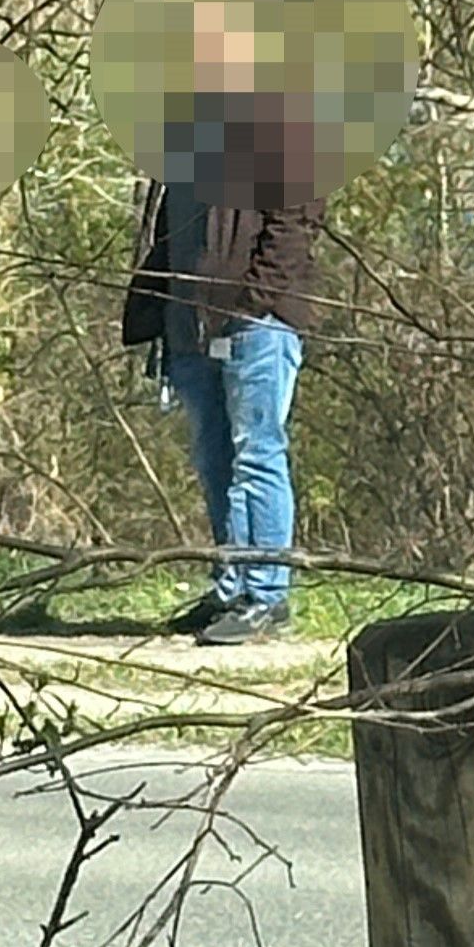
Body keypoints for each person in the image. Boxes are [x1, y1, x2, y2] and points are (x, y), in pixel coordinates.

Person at [120, 178, 319, 645]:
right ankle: (231, 587)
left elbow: (293, 228)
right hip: (189, 325)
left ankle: (267, 595)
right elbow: (170, 233)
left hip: (257, 326)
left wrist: (251, 306)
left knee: (257, 454)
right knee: (213, 459)